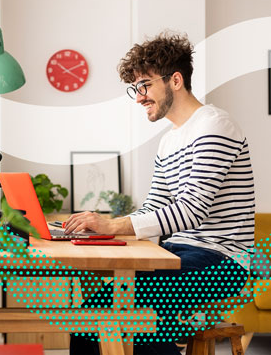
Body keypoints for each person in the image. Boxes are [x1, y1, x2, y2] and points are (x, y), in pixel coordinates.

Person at [65, 31, 254, 355]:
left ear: (175, 80)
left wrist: (112, 226)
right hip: (174, 254)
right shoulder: (169, 141)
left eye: (145, 86)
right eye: (136, 89)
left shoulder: (215, 126)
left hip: (222, 261)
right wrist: (100, 227)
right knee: (91, 315)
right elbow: (154, 207)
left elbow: (192, 209)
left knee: (129, 313)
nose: (139, 97)